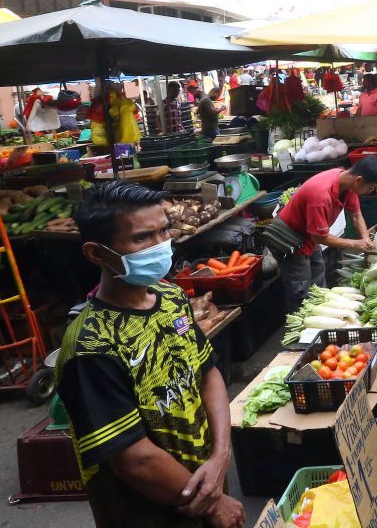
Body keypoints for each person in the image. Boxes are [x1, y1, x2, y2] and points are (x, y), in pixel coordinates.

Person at [58, 181, 244, 528]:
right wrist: (214, 504)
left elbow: (207, 373)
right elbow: (135, 460)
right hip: (152, 513)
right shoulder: (90, 346)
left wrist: (220, 456)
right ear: (96, 253)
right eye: (142, 238)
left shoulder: (171, 297)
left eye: (163, 231)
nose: (160, 245)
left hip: (208, 483)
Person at [272, 158, 377, 311]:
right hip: (289, 238)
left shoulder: (348, 184)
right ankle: (300, 320)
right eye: (371, 188)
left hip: (309, 233)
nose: (370, 192)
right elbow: (319, 237)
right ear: (359, 180)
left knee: (318, 277)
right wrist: (355, 243)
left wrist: (365, 238)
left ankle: (321, 312)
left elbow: (355, 214)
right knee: (300, 289)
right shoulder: (321, 194)